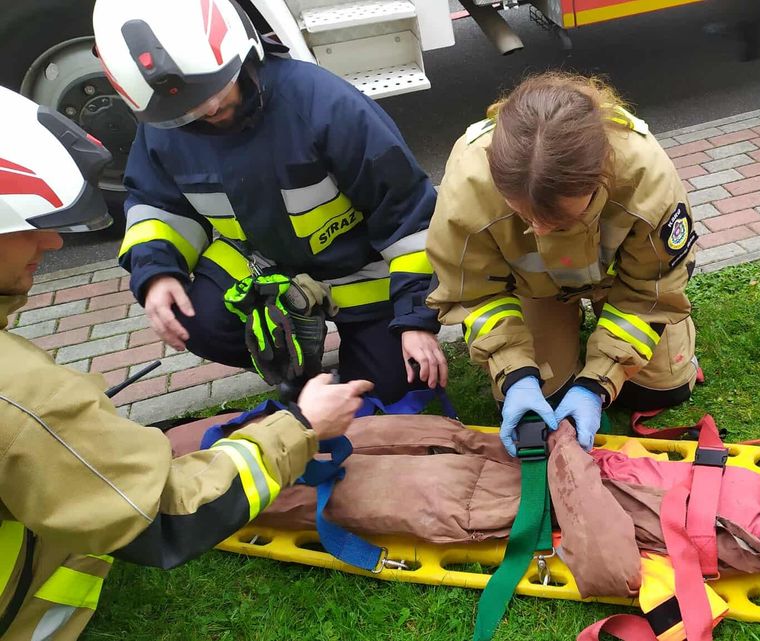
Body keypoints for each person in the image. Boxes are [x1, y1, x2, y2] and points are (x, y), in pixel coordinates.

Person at [0, 86, 371, 641]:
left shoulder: (324, 111)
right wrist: (301, 426)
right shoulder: (21, 396)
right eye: (26, 224)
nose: (52, 243)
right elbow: (163, 513)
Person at [93, 0, 447, 404]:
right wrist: (157, 274)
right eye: (186, 110)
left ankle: (354, 355)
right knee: (192, 317)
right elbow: (157, 208)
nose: (209, 108)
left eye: (215, 88)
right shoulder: (162, 124)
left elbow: (409, 218)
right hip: (260, 266)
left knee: (398, 383)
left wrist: (415, 319)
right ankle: (297, 366)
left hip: (361, 273)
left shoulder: (326, 105)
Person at [426, 72, 700, 456]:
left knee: (660, 390)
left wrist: (596, 384)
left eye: (560, 222)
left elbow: (651, 290)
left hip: (621, 286)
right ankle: (559, 330)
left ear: (601, 175)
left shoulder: (644, 175)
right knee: (542, 399)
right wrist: (516, 374)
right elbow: (475, 294)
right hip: (534, 289)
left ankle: (630, 339)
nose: (539, 230)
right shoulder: (468, 188)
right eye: (524, 217)